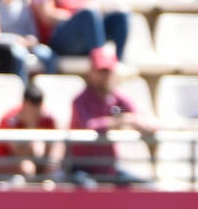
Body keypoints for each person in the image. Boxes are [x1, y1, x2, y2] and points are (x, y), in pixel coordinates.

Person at [67, 46, 157, 187]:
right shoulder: (80, 101)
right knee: (89, 189)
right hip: (82, 169)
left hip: (108, 169)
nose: (105, 76)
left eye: (108, 71)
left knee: (149, 188)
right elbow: (89, 126)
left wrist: (139, 122)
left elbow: (147, 122)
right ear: (91, 71)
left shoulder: (118, 99)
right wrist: (119, 121)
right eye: (101, 71)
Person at [0, 82, 62, 180]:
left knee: (53, 169)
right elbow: (19, 153)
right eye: (32, 107)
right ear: (24, 103)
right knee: (27, 169)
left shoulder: (47, 118)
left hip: (30, 159)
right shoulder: (10, 119)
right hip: (1, 160)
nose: (35, 112)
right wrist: (31, 126)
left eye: (38, 107)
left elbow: (53, 149)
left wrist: (46, 164)